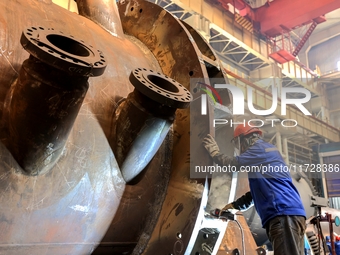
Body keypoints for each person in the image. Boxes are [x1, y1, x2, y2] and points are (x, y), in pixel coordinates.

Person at [203, 123, 306, 255]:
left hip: (283, 214)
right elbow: (255, 194)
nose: (239, 148)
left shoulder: (260, 149)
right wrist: (234, 205)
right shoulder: (264, 155)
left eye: (238, 143)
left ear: (245, 139)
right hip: (289, 214)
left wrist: (215, 153)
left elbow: (233, 164)